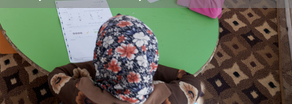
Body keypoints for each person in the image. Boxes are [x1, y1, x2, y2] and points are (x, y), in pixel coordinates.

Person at [49, 15, 203, 103]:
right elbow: (192, 81)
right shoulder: (171, 98)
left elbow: (56, 76)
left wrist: (106, 65)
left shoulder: (83, 96)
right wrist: (141, 67)